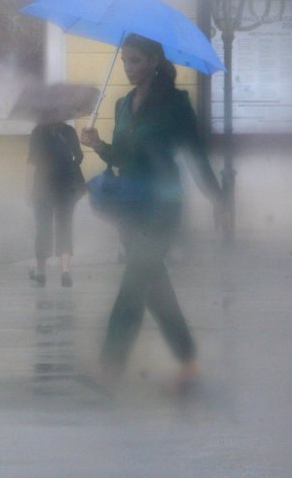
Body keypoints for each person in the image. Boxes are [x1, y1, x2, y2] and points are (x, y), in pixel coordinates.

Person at [79, 33, 225, 391]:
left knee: (132, 284)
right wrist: (99, 145)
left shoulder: (175, 104)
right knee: (155, 289)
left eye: (136, 60)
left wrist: (218, 198)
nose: (128, 67)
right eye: (125, 60)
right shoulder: (124, 105)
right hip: (132, 207)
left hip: (163, 207)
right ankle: (189, 359)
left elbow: (196, 153)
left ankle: (109, 366)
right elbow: (124, 158)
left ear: (154, 61)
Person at [26, 117, 84, 287]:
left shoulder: (38, 132)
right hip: (66, 187)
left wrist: (26, 189)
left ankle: (41, 272)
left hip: (42, 186)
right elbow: (79, 157)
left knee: (42, 227)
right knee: (64, 226)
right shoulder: (69, 131)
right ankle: (65, 271)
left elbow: (31, 162)